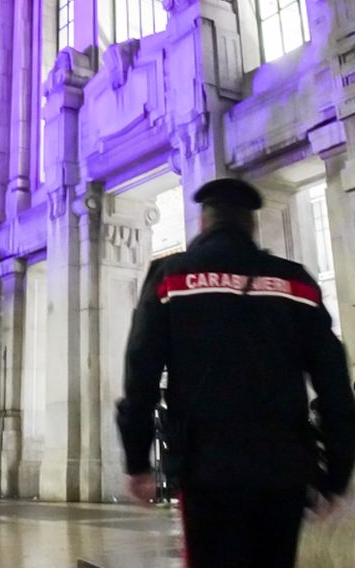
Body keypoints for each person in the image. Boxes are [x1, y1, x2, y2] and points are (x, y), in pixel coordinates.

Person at [116, 177, 355, 568]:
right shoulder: (295, 282)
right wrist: (336, 474)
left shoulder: (172, 278)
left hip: (206, 469)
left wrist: (137, 462)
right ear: (251, 225)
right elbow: (334, 384)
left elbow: (140, 373)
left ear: (203, 223)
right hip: (283, 470)